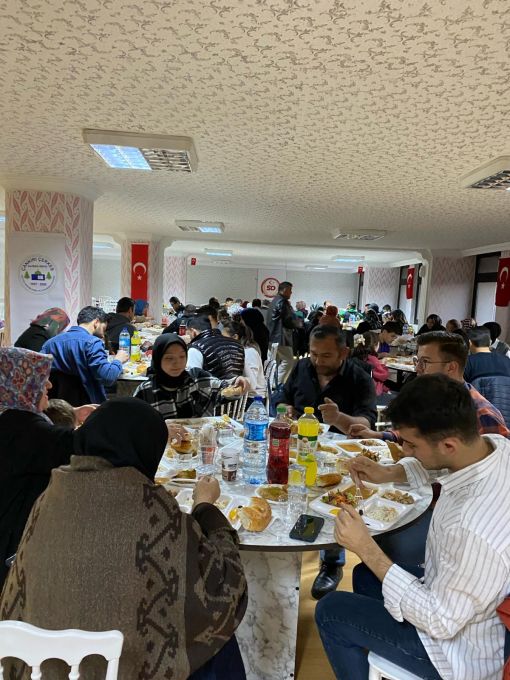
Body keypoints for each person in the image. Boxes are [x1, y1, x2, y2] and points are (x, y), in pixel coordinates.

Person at [0, 398, 248, 680]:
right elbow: (222, 581)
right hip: (119, 667)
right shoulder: (151, 508)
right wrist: (205, 507)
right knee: (216, 633)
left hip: (36, 663)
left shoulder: (51, 496)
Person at [316, 374, 510, 680]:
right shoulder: (495, 446)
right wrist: (388, 473)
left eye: (411, 444)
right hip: (455, 598)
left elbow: (440, 621)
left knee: (330, 610)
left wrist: (366, 547)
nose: (405, 451)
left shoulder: (472, 528)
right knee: (366, 576)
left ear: (449, 444)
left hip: (458, 653)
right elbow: (438, 465)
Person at [276, 325, 377, 599]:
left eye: (326, 355)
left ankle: (331, 563)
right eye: (313, 354)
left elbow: (367, 422)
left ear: (344, 352)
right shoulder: (302, 368)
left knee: (334, 503)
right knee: (285, 491)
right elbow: (282, 397)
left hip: (338, 455)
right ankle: (281, 556)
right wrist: (285, 409)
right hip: (299, 447)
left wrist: (340, 418)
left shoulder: (359, 377)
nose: (318, 361)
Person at [0, 347, 94, 587]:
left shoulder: (11, 416)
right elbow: (74, 445)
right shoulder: (21, 427)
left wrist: (73, 414)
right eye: (41, 378)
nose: (49, 385)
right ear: (22, 383)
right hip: (11, 544)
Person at [350, 332, 510, 444]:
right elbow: (418, 435)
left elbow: (499, 465)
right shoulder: (430, 398)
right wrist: (378, 436)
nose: (417, 368)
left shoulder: (481, 414)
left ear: (451, 367)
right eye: (417, 361)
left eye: (425, 362)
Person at [136, 334, 249, 419]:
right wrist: (160, 429)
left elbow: (224, 392)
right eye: (169, 358)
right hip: (162, 443)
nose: (177, 363)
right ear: (157, 359)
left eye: (182, 356)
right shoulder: (146, 391)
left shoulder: (197, 379)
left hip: (201, 441)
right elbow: (136, 428)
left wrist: (237, 384)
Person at [42, 306, 129, 404]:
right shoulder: (92, 343)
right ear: (96, 322)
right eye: (104, 326)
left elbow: (41, 374)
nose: (105, 331)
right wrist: (118, 360)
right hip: (87, 405)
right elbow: (108, 377)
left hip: (56, 405)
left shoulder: (49, 343)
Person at [186, 316, 247, 380]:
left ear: (193, 332)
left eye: (187, 333)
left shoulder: (195, 348)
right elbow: (247, 376)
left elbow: (192, 379)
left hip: (213, 386)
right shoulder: (237, 344)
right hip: (238, 385)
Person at [268, 281, 302, 385]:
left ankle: (271, 384)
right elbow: (288, 320)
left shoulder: (274, 301)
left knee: (274, 362)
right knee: (288, 360)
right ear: (285, 290)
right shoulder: (282, 302)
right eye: (290, 290)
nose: (291, 292)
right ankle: (277, 384)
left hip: (272, 336)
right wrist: (298, 324)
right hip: (280, 337)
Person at [222, 320, 265, 400]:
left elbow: (252, 385)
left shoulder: (249, 352)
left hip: (253, 399)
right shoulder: (235, 351)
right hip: (242, 396)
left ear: (235, 337)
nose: (220, 341)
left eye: (223, 337)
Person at [352, 332, 390, 397]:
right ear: (375, 345)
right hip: (373, 393)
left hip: (358, 390)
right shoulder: (372, 359)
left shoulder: (356, 356)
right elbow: (384, 376)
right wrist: (382, 364)